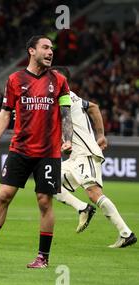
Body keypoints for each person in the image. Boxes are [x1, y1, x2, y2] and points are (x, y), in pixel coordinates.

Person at [0, 35, 73, 268]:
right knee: (3, 195)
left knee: (44, 201)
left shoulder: (60, 80)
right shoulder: (15, 79)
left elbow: (66, 113)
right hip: (20, 149)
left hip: (48, 152)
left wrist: (68, 140)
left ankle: (43, 258)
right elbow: (6, 111)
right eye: (45, 47)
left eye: (52, 49)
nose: (50, 52)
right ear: (31, 51)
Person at [51, 66, 136, 248]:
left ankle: (126, 233)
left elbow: (95, 108)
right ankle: (82, 208)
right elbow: (93, 107)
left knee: (94, 193)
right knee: (48, 181)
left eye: (58, 78)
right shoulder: (58, 98)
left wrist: (100, 136)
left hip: (85, 152)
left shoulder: (66, 97)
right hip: (73, 156)